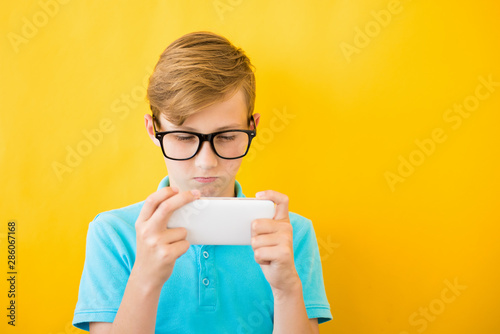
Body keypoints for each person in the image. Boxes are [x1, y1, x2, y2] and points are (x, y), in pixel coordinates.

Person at [73, 31, 332, 333]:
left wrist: (287, 288)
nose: (206, 162)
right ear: (152, 130)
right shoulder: (113, 234)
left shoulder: (290, 235)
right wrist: (144, 277)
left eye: (226, 136)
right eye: (183, 137)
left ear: (253, 128)